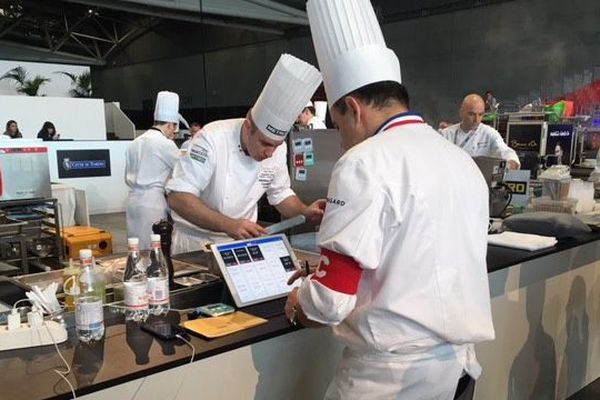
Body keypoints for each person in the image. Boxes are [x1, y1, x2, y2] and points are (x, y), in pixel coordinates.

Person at [284, 0, 495, 398]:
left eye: (338, 121)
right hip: (458, 371)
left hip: (389, 381)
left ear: (352, 108)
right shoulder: (460, 160)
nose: (341, 135)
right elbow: (417, 256)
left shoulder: (361, 162)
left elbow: (331, 301)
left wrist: (300, 300)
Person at [166, 54, 324, 254]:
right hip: (196, 245)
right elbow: (178, 197)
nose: (270, 153)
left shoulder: (277, 149)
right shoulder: (211, 139)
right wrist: (228, 225)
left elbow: (280, 193)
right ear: (248, 127)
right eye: (265, 143)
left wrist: (304, 211)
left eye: (277, 145)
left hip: (243, 243)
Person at [125, 91, 181, 249]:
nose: (173, 134)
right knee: (152, 247)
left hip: (132, 201)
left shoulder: (135, 142)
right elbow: (182, 168)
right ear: (170, 124)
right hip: (152, 202)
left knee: (135, 245)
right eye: (173, 129)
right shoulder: (164, 143)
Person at [440, 94, 520, 169]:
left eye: (480, 114)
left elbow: (505, 152)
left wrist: (511, 163)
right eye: (471, 114)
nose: (476, 119)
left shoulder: (489, 133)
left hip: (478, 180)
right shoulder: (446, 134)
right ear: (461, 113)